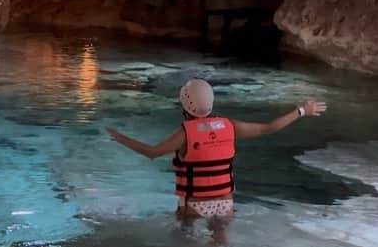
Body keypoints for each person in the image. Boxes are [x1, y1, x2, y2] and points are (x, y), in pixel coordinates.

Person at [106, 78, 326, 220]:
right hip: (225, 204)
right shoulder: (229, 126)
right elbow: (270, 127)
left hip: (194, 205)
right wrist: (301, 110)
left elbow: (151, 153)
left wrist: (119, 137)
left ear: (184, 104)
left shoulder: (185, 133)